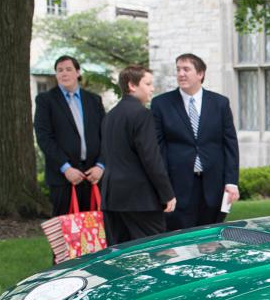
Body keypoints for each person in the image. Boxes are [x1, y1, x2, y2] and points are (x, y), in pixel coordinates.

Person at [151, 53, 240, 231]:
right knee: (180, 241)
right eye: (178, 70)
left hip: (213, 185)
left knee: (211, 240)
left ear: (200, 74)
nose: (181, 74)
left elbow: (230, 144)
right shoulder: (161, 104)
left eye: (186, 69)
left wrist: (231, 182)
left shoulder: (220, 103)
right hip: (178, 186)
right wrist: (164, 188)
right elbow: (158, 149)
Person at [101, 65, 177, 244]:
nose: (152, 88)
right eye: (148, 83)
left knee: (118, 257)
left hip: (112, 198)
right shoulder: (142, 114)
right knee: (156, 252)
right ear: (132, 85)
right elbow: (151, 158)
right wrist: (167, 193)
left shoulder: (110, 116)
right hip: (140, 200)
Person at [33, 55, 106, 217]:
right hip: (64, 178)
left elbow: (107, 136)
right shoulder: (46, 100)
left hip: (93, 176)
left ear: (78, 72)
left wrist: (101, 165)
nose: (64, 74)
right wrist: (66, 168)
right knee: (66, 233)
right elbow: (44, 137)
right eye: (59, 70)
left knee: (96, 231)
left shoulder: (94, 100)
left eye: (68, 69)